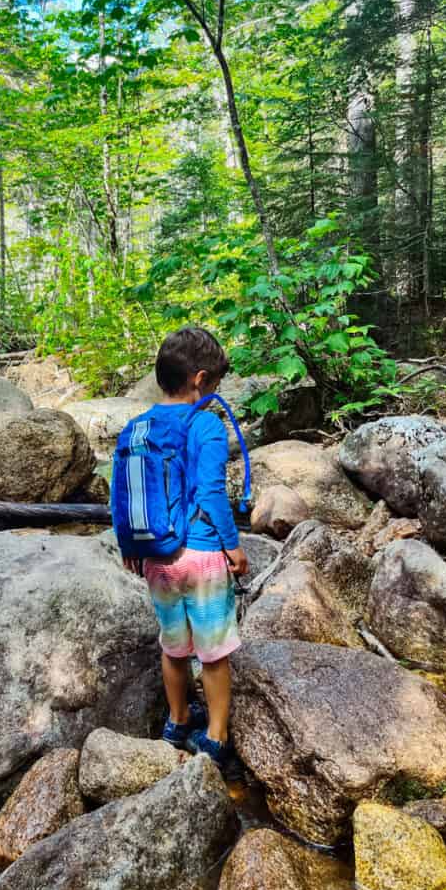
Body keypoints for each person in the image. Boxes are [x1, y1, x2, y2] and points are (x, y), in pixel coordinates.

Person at [121, 327, 248, 770]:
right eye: (213, 384)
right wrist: (232, 547)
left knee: (173, 645)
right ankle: (215, 735)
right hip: (202, 555)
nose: (215, 393)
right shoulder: (207, 424)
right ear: (199, 379)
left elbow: (128, 492)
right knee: (213, 652)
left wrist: (130, 545)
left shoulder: (139, 427)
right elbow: (212, 493)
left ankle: (176, 722)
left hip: (156, 557)